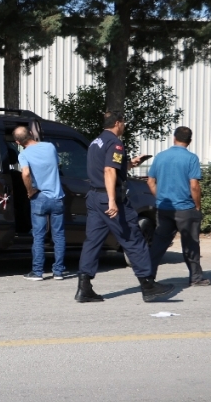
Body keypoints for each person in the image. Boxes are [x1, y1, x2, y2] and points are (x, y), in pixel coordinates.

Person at [75, 110, 175, 303]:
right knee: (134, 239)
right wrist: (112, 200)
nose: (125, 126)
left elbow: (108, 167)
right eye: (124, 123)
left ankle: (84, 287)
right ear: (118, 123)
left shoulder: (96, 142)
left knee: (93, 241)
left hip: (94, 197)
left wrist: (130, 164)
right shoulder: (115, 143)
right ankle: (148, 284)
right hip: (109, 198)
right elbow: (109, 170)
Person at [147, 126, 208, 286]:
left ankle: (148, 276)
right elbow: (194, 185)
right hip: (185, 208)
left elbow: (150, 181)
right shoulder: (191, 158)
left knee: (159, 244)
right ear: (190, 141)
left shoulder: (160, 157)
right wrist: (197, 206)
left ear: (174, 138)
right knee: (191, 244)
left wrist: (159, 198)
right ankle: (196, 278)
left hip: (164, 208)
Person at [14, 126, 67, 281]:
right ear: (31, 134)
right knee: (59, 235)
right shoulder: (50, 147)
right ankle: (58, 271)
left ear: (18, 142)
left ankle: (37, 272)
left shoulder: (23, 155)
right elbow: (57, 165)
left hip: (39, 198)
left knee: (38, 236)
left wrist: (30, 191)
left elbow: (26, 173)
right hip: (57, 197)